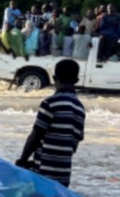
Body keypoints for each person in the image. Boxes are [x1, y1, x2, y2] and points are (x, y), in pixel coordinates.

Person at [16, 58, 86, 188]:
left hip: (43, 174)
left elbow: (35, 136)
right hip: (63, 178)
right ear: (76, 81)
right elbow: (72, 146)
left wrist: (23, 160)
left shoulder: (50, 103)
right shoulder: (80, 109)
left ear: (54, 78)